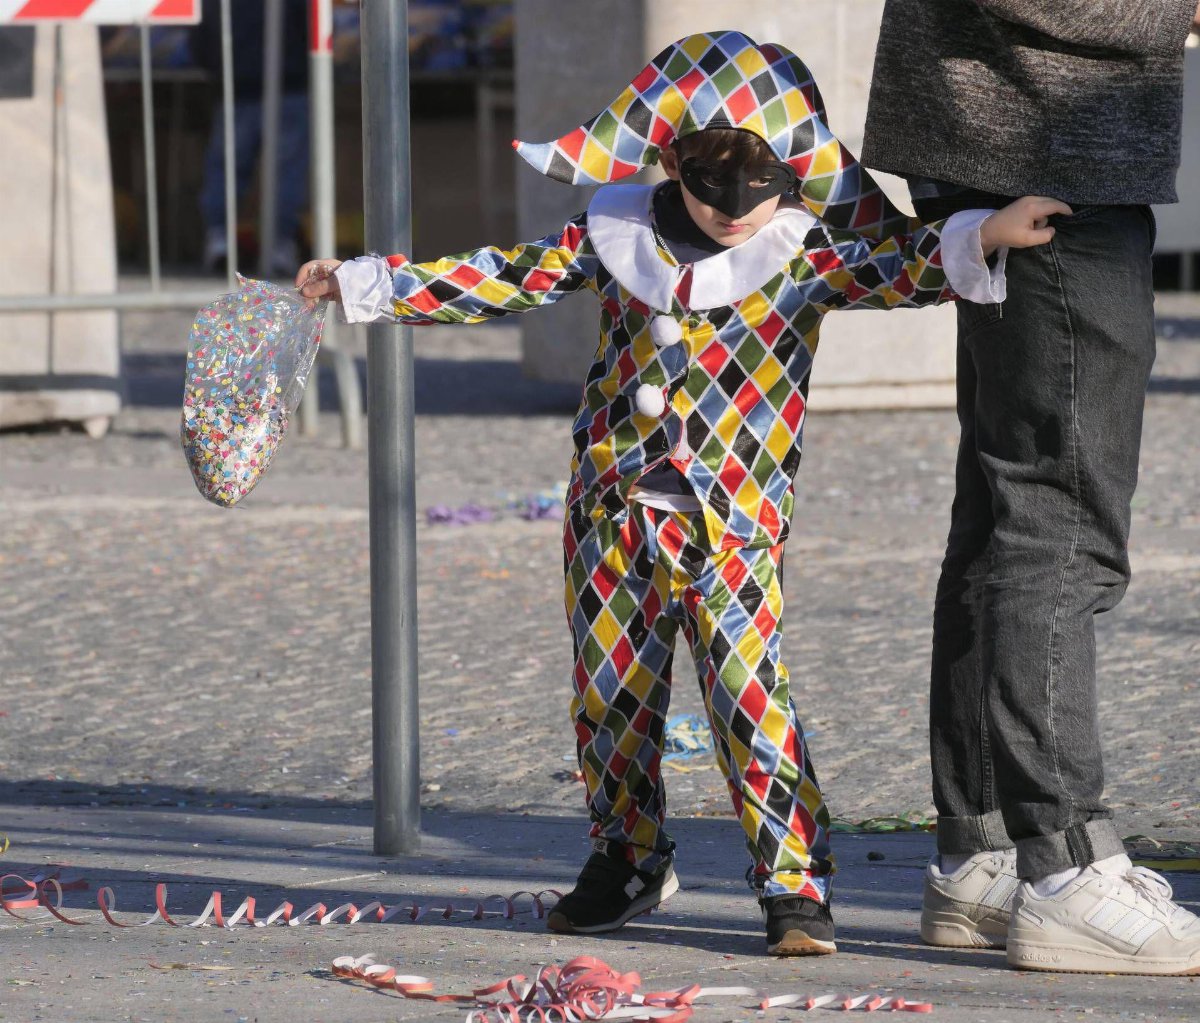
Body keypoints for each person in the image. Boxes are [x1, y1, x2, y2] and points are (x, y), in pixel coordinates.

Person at [297, 30, 1062, 956]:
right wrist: (368, 282)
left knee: (747, 692)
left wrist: (986, 232)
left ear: (798, 172)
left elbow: (899, 266)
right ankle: (627, 858)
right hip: (611, 510)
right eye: (710, 185)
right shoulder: (612, 236)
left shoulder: (802, 252)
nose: (736, 210)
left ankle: (794, 885)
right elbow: (505, 277)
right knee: (610, 692)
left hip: (732, 520)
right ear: (670, 161)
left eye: (763, 185)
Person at [862, 0, 1200, 975]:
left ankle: (987, 857)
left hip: (1024, 144)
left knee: (1008, 513)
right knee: (1061, 524)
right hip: (1041, 153)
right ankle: (1068, 867)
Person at [191, 0, 311, 275]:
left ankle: (219, 239)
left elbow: (200, 36)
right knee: (286, 171)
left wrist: (217, 70)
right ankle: (279, 244)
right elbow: (308, 26)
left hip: (238, 84)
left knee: (228, 166)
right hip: (288, 83)